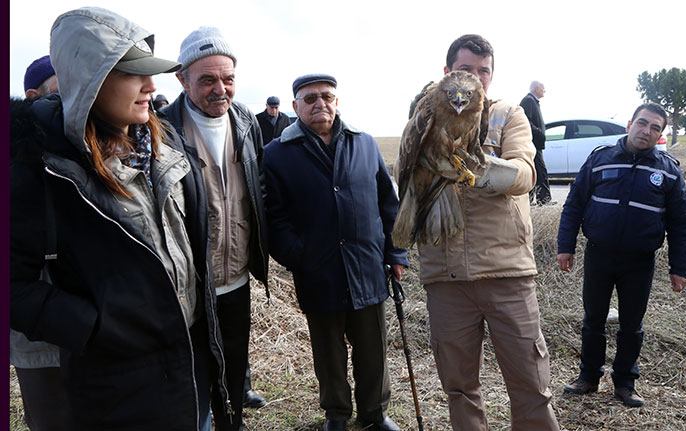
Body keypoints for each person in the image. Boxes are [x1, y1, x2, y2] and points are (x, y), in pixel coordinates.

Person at [9, 7, 228, 430]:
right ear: (90, 79)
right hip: (116, 382)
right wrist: (93, 326)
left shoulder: (168, 147)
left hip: (191, 360)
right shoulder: (43, 169)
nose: (151, 86)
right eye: (133, 74)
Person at [404, 35, 560, 430]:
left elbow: (526, 173)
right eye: (466, 69)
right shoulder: (424, 114)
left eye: (483, 71)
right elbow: (406, 183)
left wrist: (480, 169)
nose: (475, 77)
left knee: (530, 383)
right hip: (446, 277)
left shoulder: (507, 114)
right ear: (447, 72)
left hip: (506, 272)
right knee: (458, 387)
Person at [263, 74, 408, 431]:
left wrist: (396, 253)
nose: (319, 104)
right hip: (318, 271)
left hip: (367, 265)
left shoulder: (365, 143)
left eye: (326, 96)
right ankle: (336, 415)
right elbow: (273, 218)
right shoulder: (277, 153)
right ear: (296, 106)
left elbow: (389, 205)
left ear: (337, 101)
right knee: (328, 352)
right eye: (309, 98)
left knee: (372, 348)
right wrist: (298, 256)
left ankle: (375, 414)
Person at [160, 26, 269, 431]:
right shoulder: (162, 128)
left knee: (234, 371)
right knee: (195, 379)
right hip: (189, 285)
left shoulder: (245, 122)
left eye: (228, 79)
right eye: (207, 79)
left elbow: (258, 190)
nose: (220, 89)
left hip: (237, 280)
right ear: (182, 79)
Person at [557, 102, 686, 407]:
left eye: (655, 127)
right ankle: (588, 377)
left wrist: (680, 267)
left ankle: (625, 383)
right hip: (599, 255)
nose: (646, 131)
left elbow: (681, 222)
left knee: (632, 324)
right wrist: (565, 246)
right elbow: (574, 204)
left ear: (661, 133)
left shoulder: (668, 171)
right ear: (630, 123)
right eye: (642, 123)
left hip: (639, 261)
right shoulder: (600, 159)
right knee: (593, 319)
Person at [10, 55, 74, 431]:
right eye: (60, 89)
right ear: (34, 95)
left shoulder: (75, 144)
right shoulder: (18, 157)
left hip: (86, 329)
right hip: (38, 336)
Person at [520, 80, 554, 205]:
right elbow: (525, 120)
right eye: (542, 88)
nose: (545, 90)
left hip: (535, 143)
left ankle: (530, 200)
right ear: (536, 89)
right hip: (532, 143)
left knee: (534, 171)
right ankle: (543, 200)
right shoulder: (528, 100)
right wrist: (538, 131)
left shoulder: (533, 101)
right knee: (540, 171)